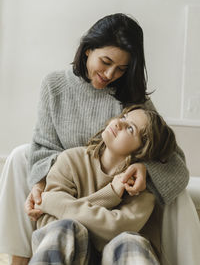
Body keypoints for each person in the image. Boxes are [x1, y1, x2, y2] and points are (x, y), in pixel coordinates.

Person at [0, 13, 189, 265]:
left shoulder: (134, 99)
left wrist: (144, 168)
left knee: (172, 202)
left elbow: (176, 164)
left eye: (122, 68)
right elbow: (43, 146)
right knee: (19, 156)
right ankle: (18, 258)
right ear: (88, 50)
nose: (111, 74)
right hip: (68, 181)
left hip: (112, 198)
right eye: (106, 62)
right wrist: (40, 185)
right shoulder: (54, 86)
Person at [28, 105, 177, 265]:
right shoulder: (70, 160)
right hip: (70, 256)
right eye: (124, 117)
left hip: (114, 258)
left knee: (129, 241)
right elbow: (47, 222)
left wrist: (55, 202)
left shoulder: (140, 188)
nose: (119, 123)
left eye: (130, 129)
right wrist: (110, 194)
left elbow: (115, 227)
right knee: (63, 228)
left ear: (142, 150)